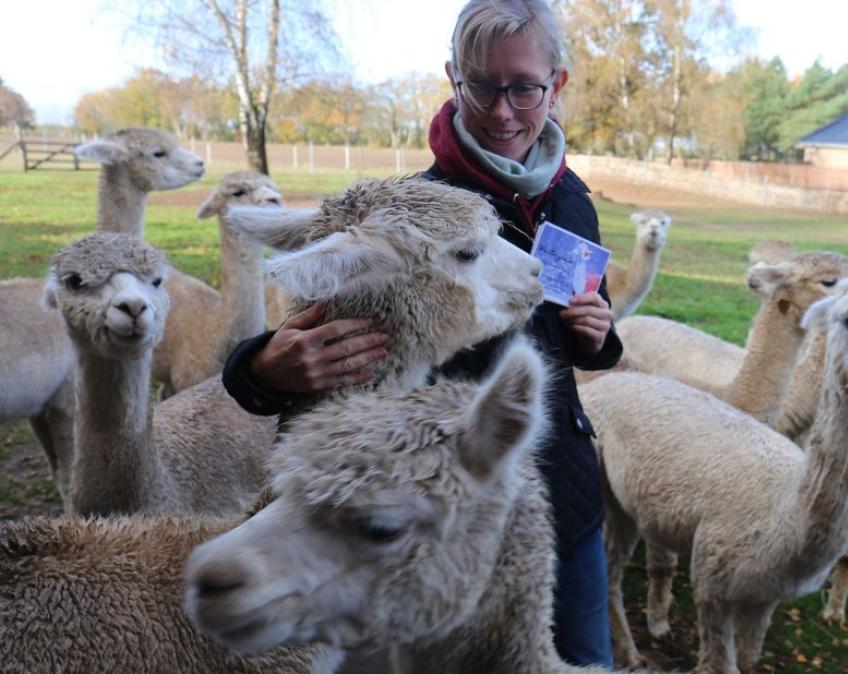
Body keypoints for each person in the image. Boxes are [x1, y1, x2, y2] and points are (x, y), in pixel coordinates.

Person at [221, 0, 620, 666]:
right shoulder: (411, 212)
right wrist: (260, 368)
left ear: (557, 84)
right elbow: (309, 344)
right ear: (453, 78)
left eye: (523, 87)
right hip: (443, 515)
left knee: (580, 655)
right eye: (482, 85)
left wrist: (597, 335)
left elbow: (588, 325)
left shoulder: (570, 196)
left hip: (561, 489)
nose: (501, 110)